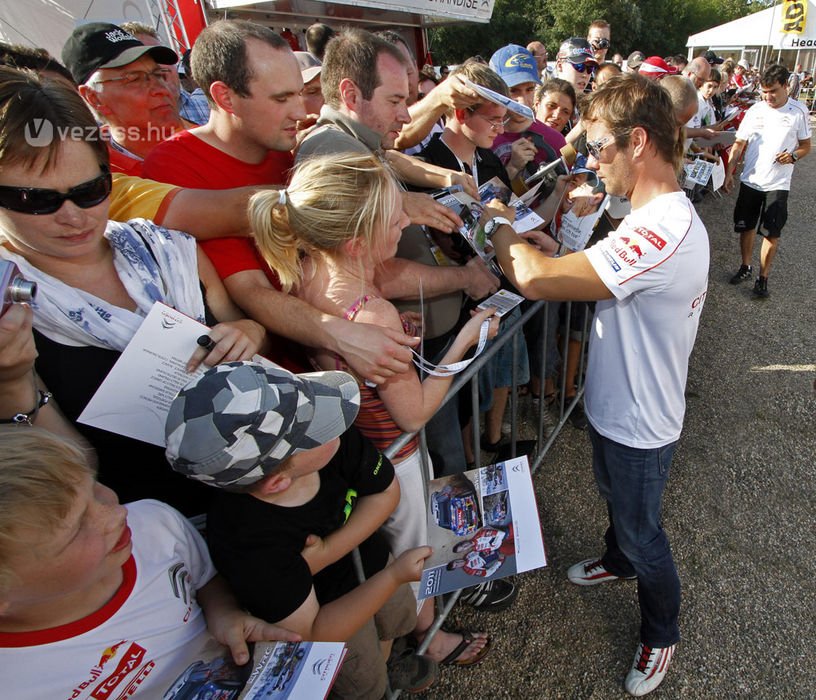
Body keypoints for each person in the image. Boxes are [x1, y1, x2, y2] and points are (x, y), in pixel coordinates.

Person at [488, 73, 710, 696]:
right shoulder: (650, 214)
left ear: (637, 142)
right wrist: (554, 247)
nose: (591, 160)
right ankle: (615, 560)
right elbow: (571, 267)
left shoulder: (658, 229)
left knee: (645, 535)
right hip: (621, 407)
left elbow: (533, 279)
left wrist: (497, 220)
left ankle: (660, 632)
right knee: (618, 506)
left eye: (599, 147)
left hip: (642, 422)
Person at [250, 151, 498, 665]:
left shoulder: (309, 268)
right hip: (397, 455)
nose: (406, 221)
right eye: (396, 218)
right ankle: (429, 641)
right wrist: (465, 342)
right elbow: (413, 413)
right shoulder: (376, 313)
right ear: (357, 241)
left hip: (356, 445)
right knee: (418, 550)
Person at [0, 68, 266, 515]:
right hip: (146, 537)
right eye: (37, 200)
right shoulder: (10, 306)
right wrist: (13, 385)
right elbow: (69, 479)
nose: (73, 216)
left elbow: (247, 329)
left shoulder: (167, 251)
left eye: (90, 190)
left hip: (262, 505)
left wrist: (249, 333)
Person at [143, 20, 418, 383]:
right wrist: (343, 334)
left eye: (300, 93)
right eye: (281, 98)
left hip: (332, 372)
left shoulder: (290, 150)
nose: (302, 110)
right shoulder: (177, 168)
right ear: (226, 97)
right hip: (273, 385)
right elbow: (250, 291)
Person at [165, 360, 438, 696]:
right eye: (314, 427)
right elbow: (312, 633)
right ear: (277, 482)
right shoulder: (246, 542)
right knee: (365, 681)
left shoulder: (332, 446)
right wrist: (393, 577)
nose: (334, 421)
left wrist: (326, 553)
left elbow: (386, 491)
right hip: (339, 620)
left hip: (373, 564)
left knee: (393, 623)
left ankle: (390, 658)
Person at [0, 427, 300, 699]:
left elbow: (205, 580)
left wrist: (224, 613)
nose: (116, 514)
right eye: (79, 527)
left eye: (94, 487)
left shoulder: (153, 526)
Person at [723, 64, 811, 298]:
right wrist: (729, 171)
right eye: (764, 91)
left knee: (772, 232)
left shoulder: (798, 111)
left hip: (778, 184)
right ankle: (745, 266)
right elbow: (739, 143)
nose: (768, 96)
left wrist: (793, 156)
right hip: (751, 180)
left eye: (773, 91)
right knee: (746, 226)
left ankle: (763, 278)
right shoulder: (755, 111)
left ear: (785, 86)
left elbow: (805, 147)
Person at [61, 22, 187, 175]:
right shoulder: (91, 180)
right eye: (134, 79)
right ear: (94, 98)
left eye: (158, 75)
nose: (161, 89)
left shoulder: (208, 142)